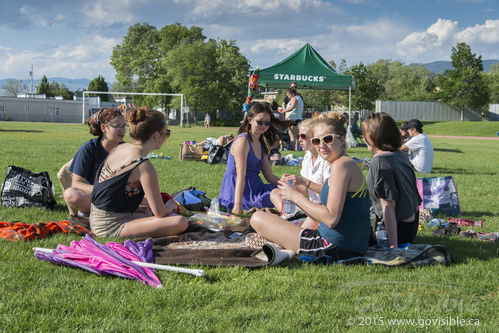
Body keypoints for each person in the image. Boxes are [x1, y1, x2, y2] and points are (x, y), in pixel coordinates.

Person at [250, 114, 371, 260]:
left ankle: (286, 248)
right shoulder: (342, 163)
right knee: (277, 221)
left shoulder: (341, 166)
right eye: (316, 141)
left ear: (342, 139)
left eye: (328, 139)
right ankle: (289, 244)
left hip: (333, 246)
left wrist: (295, 196)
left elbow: (331, 218)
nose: (321, 145)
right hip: (345, 243)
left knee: (257, 218)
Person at [90, 107, 188, 238]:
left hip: (99, 215)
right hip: (110, 225)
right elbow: (160, 213)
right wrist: (171, 205)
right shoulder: (143, 165)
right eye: (167, 133)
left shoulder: (120, 147)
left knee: (154, 213)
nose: (167, 137)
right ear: (156, 135)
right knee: (180, 222)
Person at [362, 112, 422, 247]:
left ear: (372, 137)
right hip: (410, 226)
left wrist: (393, 246)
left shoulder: (380, 161)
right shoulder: (399, 154)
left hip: (397, 231)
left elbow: (388, 206)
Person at [219, 103, 286, 215]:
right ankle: (289, 218)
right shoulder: (243, 141)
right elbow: (241, 175)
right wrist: (237, 205)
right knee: (276, 194)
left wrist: (288, 186)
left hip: (255, 188)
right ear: (250, 120)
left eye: (267, 123)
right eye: (259, 122)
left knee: (285, 193)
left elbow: (270, 177)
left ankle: (290, 217)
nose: (263, 126)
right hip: (239, 192)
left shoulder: (262, 143)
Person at [63, 108, 126, 217]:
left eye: (124, 126)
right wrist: (104, 190)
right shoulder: (89, 149)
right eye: (117, 126)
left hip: (119, 197)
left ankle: (107, 214)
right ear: (103, 128)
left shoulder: (126, 150)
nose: (122, 130)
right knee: (71, 195)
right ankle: (120, 214)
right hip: (95, 196)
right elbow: (77, 183)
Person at [270, 117, 330, 212]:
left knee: (259, 218)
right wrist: (291, 182)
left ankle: (292, 217)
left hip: (323, 208)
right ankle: (292, 216)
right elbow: (308, 191)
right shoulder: (307, 158)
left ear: (315, 137)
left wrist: (303, 181)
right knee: (275, 192)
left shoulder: (326, 160)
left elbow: (329, 193)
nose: (300, 140)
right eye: (298, 136)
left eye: (303, 136)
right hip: (311, 203)